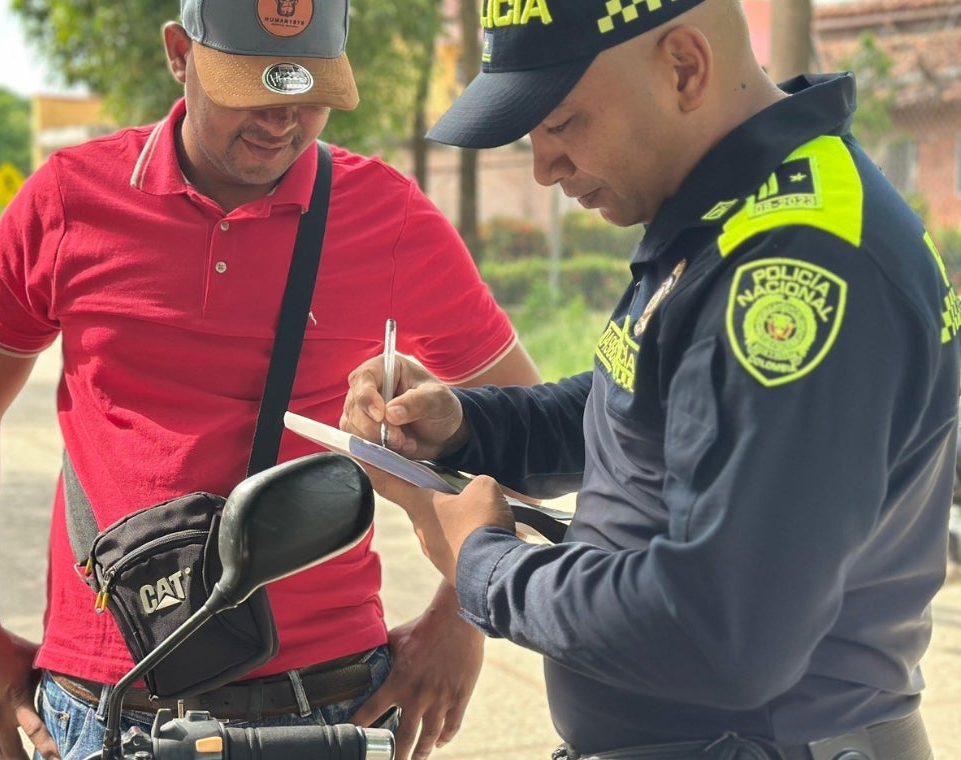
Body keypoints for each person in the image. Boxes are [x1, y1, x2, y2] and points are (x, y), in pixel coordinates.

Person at [0, 0, 543, 758]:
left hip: (325, 703)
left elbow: (530, 427)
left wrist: (460, 621)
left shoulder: (388, 217)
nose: (281, 121)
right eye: (252, 89)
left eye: (309, 93)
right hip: (101, 704)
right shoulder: (69, 199)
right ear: (180, 54)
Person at [340, 0, 961, 758]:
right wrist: (468, 424)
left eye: (563, 123)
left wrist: (487, 565)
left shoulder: (796, 265)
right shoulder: (731, 211)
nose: (542, 166)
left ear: (684, 68)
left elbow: (721, 632)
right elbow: (645, 404)